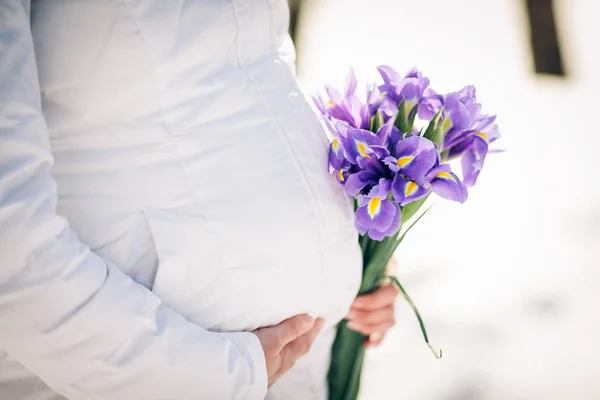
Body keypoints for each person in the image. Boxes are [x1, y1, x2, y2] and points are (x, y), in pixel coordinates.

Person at [0, 1, 399, 399]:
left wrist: (352, 241)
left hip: (304, 364)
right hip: (154, 369)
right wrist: (218, 377)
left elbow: (250, 73)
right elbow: (12, 246)